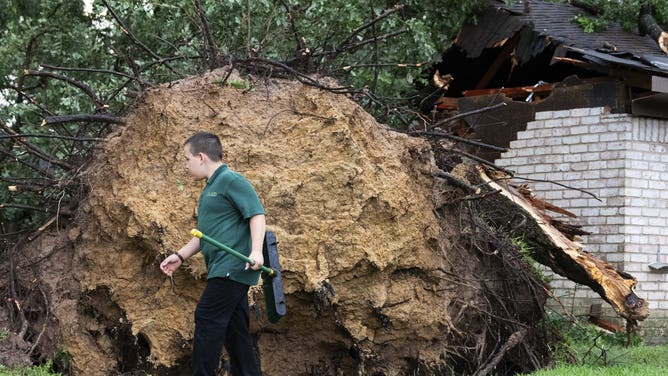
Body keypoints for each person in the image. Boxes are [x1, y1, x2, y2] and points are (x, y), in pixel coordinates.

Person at [160, 131, 265, 376]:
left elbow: (257, 214)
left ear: (201, 157)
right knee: (234, 330)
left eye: (187, 159)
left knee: (206, 316)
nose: (186, 166)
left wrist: (257, 251)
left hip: (233, 267)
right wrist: (180, 256)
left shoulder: (230, 180)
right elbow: (205, 235)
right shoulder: (209, 189)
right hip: (222, 268)